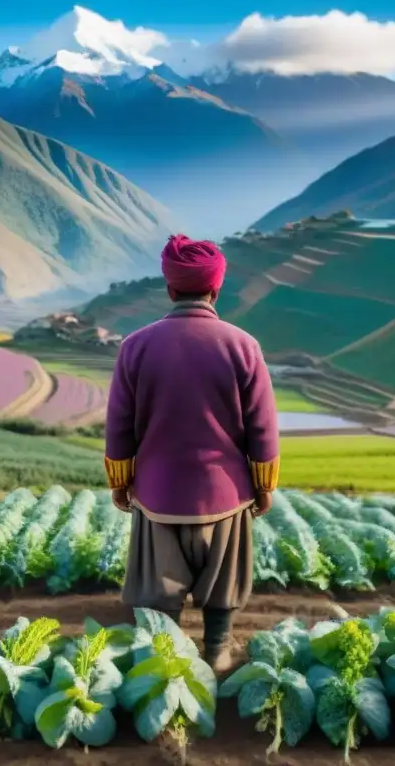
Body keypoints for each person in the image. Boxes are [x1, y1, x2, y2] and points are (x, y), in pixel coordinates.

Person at [104, 233, 280, 675]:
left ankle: (165, 660)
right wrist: (263, 487)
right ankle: (217, 650)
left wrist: (120, 482)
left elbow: (119, 426)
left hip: (157, 492)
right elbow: (262, 427)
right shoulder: (243, 346)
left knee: (157, 590)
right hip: (226, 494)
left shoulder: (136, 346)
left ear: (170, 289)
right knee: (223, 584)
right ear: (215, 289)